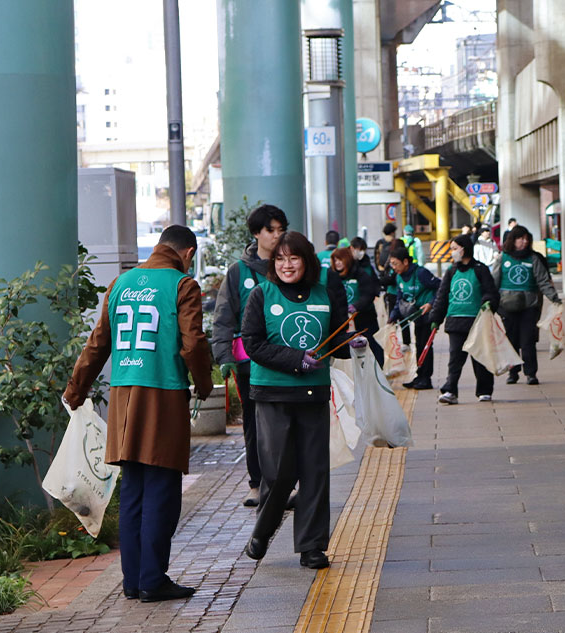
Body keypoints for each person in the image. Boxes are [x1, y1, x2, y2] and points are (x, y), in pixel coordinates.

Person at [63, 225, 213, 602]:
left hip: (124, 398)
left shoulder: (120, 284)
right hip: (162, 395)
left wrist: (76, 390)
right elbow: (193, 343)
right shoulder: (182, 286)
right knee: (162, 490)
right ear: (188, 253)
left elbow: (98, 343)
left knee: (132, 491)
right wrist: (205, 383)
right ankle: (153, 579)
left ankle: (132, 580)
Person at [242, 231, 357, 570]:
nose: (286, 264)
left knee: (315, 472)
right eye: (280, 259)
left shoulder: (324, 293)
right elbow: (252, 343)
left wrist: (354, 343)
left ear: (306, 261)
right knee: (278, 473)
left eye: (293, 258)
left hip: (314, 394)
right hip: (272, 394)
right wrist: (295, 359)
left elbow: (337, 336)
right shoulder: (262, 295)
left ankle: (312, 547)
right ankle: (263, 530)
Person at [211, 204, 288, 507]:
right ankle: (257, 483)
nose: (277, 235)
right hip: (249, 363)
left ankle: (284, 483)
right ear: (256, 233)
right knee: (254, 424)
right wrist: (223, 355)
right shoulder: (238, 272)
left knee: (286, 422)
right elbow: (223, 316)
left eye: (281, 229)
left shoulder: (289, 264)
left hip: (287, 358)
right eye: (271, 229)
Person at [429, 235, 500, 404]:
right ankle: (450, 390)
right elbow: (442, 296)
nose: (453, 252)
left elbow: (491, 292)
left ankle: (484, 390)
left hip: (476, 323)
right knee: (455, 360)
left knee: (480, 358)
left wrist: (488, 302)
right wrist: (436, 318)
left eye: (455, 248)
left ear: (465, 248)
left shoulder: (480, 269)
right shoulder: (451, 271)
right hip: (455, 322)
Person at [492, 225, 561, 385]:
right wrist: (490, 301)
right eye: (520, 239)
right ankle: (513, 372)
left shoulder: (533, 258)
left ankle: (531, 373)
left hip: (529, 306)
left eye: (526, 239)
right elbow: (494, 281)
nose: (523, 242)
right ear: (513, 240)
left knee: (528, 340)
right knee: (511, 340)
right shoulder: (503, 258)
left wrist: (554, 298)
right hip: (507, 306)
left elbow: (543, 280)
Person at [389, 246, 441, 389]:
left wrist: (431, 303)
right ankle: (420, 376)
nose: (393, 267)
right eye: (391, 264)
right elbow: (400, 298)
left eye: (395, 263)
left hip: (427, 316)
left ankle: (426, 379)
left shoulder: (421, 273)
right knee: (418, 345)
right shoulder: (399, 276)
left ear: (405, 262)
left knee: (425, 346)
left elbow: (441, 286)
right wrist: (393, 316)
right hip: (416, 317)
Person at [332, 246, 384, 365]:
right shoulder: (333, 276)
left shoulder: (359, 273)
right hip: (344, 320)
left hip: (364, 317)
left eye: (340, 260)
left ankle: (378, 370)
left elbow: (368, 293)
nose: (338, 263)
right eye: (335, 260)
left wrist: (357, 306)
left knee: (370, 343)